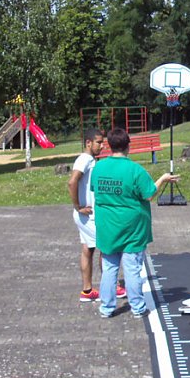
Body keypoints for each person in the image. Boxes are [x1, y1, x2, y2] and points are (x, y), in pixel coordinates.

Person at [90, 128, 179, 318]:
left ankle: (106, 307)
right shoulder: (135, 170)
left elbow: (94, 190)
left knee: (109, 268)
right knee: (132, 269)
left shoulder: (98, 168)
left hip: (107, 225)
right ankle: (137, 307)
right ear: (127, 146)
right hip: (132, 227)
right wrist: (162, 179)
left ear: (109, 145)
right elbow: (148, 194)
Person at [67, 128, 126, 302]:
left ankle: (87, 291)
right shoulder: (84, 159)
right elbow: (72, 182)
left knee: (88, 249)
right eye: (99, 142)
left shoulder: (90, 159)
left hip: (87, 215)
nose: (102, 146)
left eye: (103, 142)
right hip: (88, 215)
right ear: (88, 143)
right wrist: (78, 206)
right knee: (107, 247)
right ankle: (112, 287)